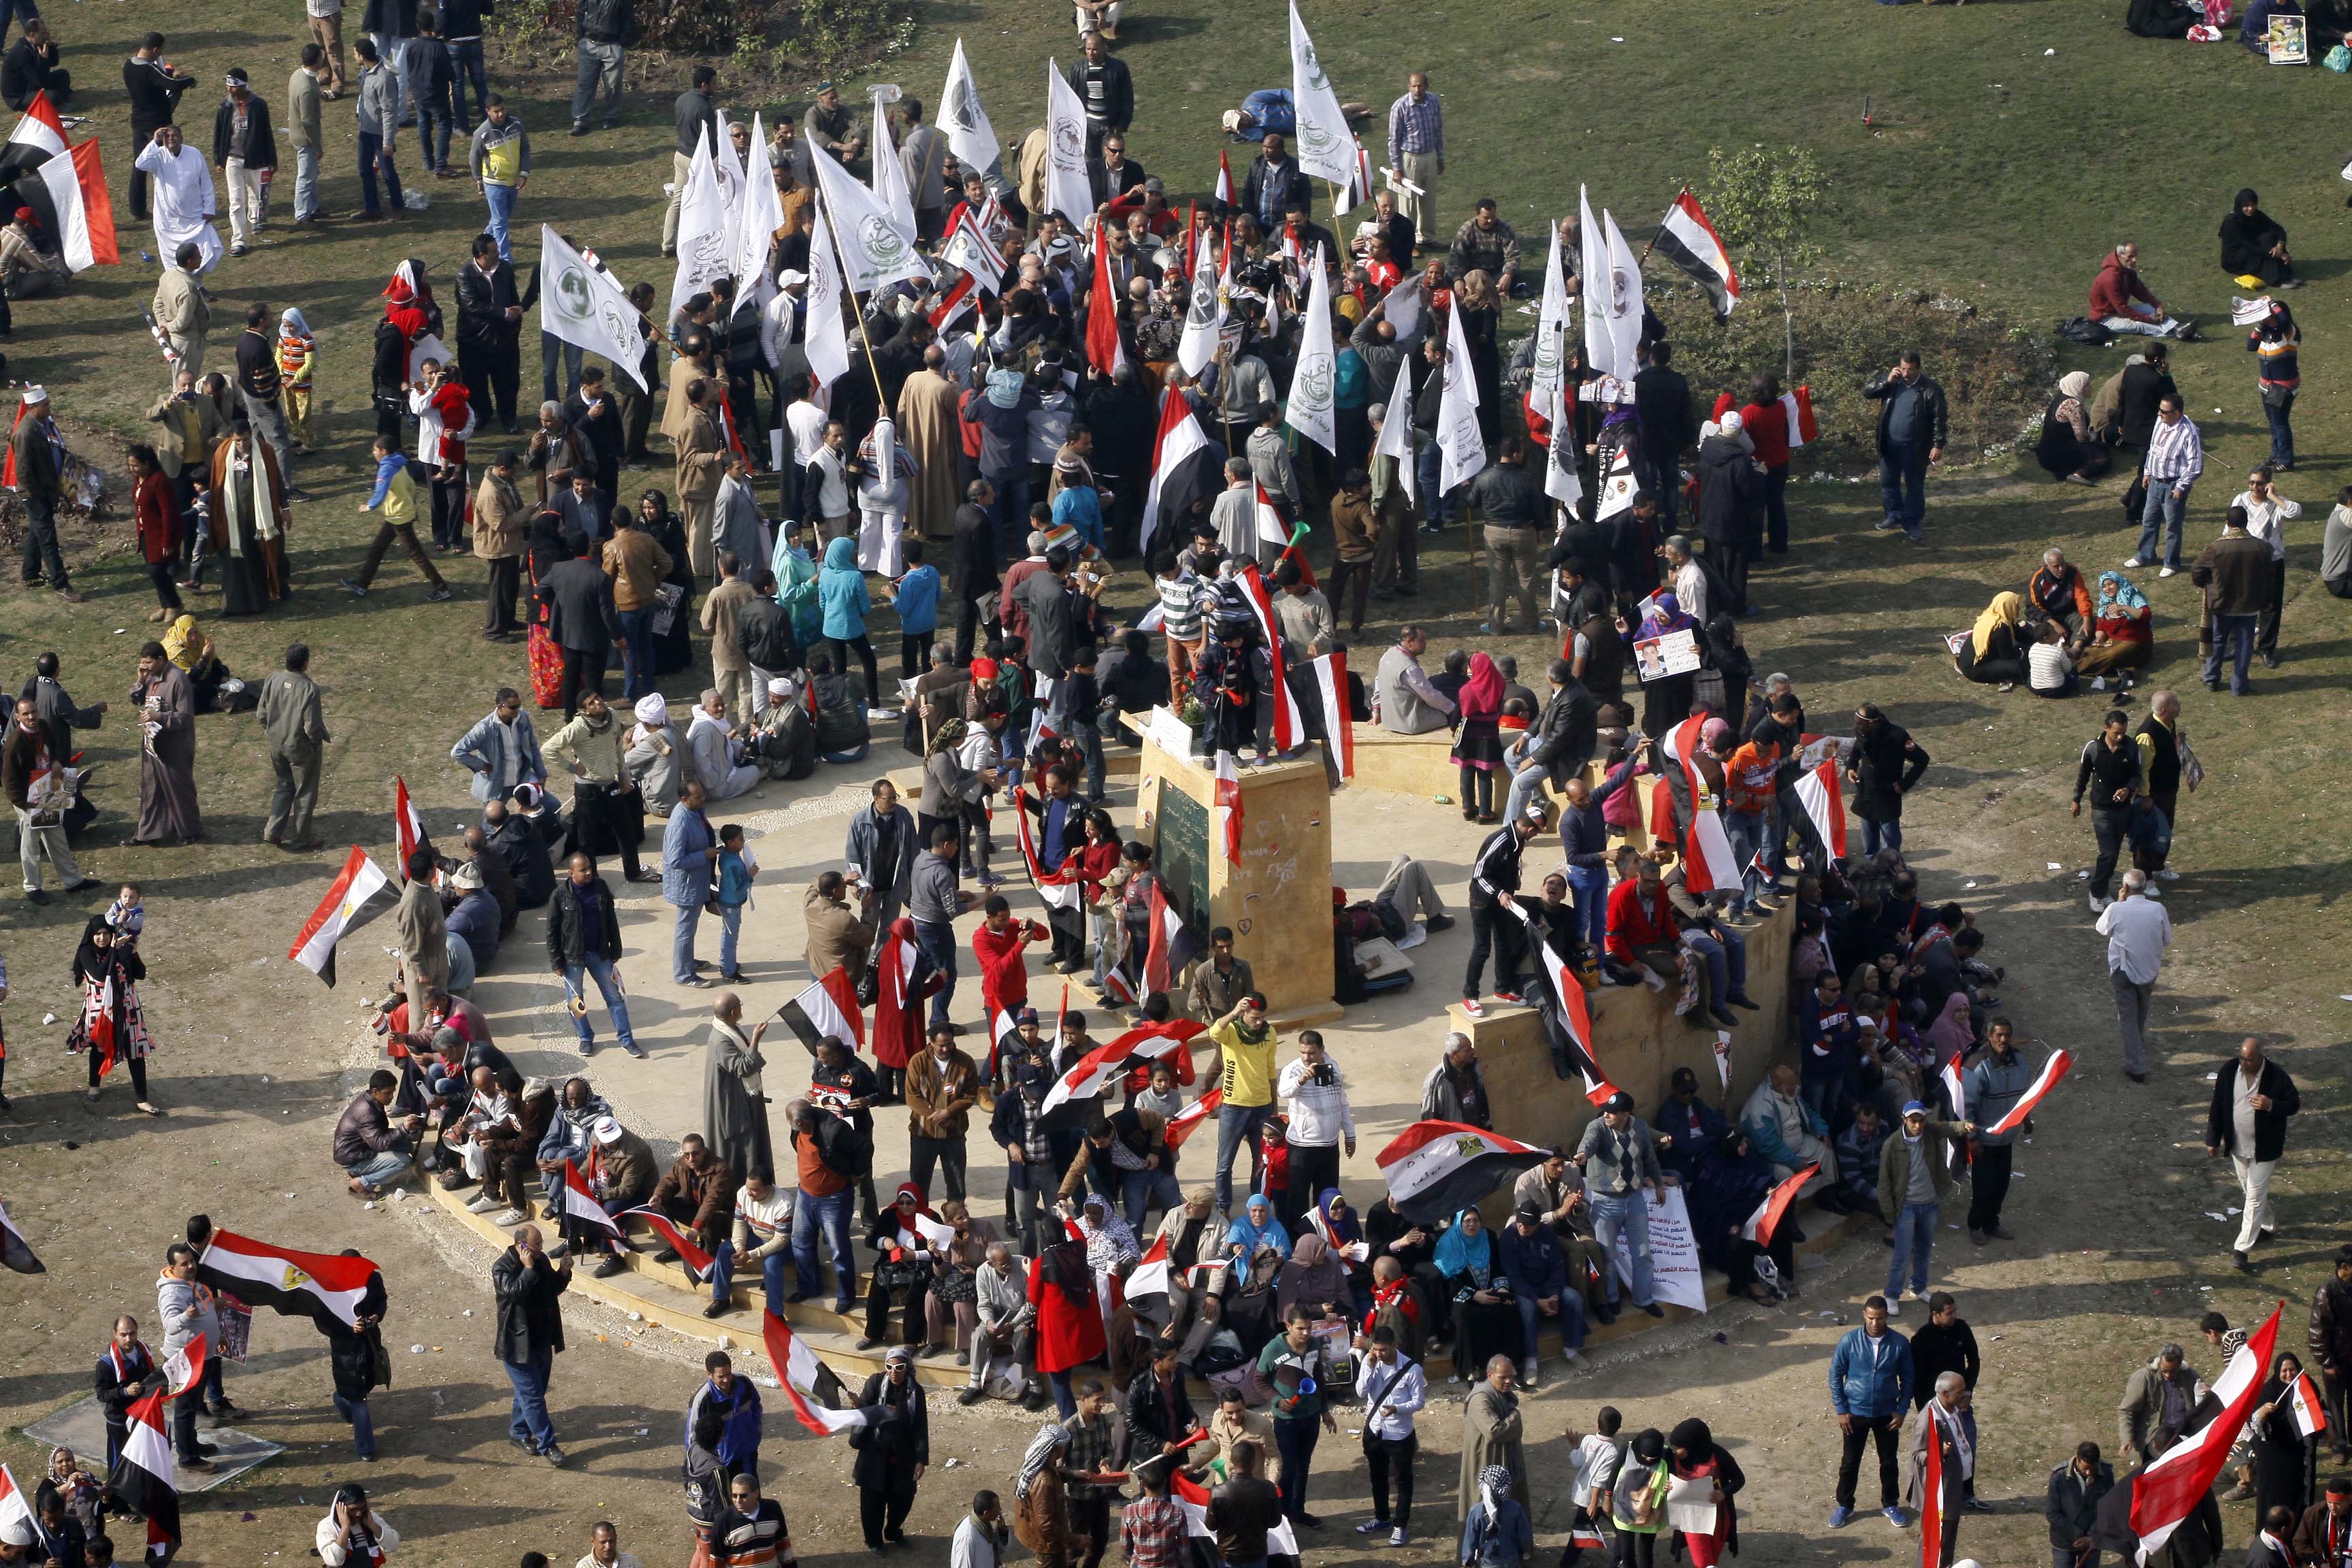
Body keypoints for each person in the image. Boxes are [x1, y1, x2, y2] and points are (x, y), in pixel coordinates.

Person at [2206, 1035, 2298, 1272]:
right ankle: (2267, 1226)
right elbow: (2218, 1105)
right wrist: (2213, 1139)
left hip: (2265, 1149)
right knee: (2250, 1190)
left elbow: (2294, 1104)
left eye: (2249, 1059)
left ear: (2260, 1057)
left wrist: (2271, 1105)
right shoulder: (2228, 1071)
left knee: (2255, 1197)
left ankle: (2242, 1249)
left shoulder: (2276, 1076)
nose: (2244, 1064)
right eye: (2242, 1058)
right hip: (2238, 1145)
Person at [1829, 1295, 1915, 1529]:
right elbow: (1835, 1375)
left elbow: (1908, 1379)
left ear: (1886, 1316)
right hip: (1855, 1412)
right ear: (1864, 1316)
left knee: (1888, 1461)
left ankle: (1890, 1504)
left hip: (1886, 1413)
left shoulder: (1899, 1344)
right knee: (1850, 1462)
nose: (1875, 1323)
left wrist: (1901, 1410)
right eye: (1870, 1318)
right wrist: (1841, 1409)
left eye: (1879, 1318)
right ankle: (1845, 1504)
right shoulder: (1849, 1341)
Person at [1880, 1101, 1973, 1311]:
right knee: (1902, 1255)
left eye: (1921, 1121)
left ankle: (1919, 1287)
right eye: (1913, 1121)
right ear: (1904, 1120)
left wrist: (1964, 1125)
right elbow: (1884, 1182)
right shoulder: (1892, 1145)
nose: (1918, 1125)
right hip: (1907, 1207)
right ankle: (1891, 1295)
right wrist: (1889, 1215)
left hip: (1930, 1203)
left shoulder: (1930, 1132)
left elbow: (1948, 1127)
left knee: (1923, 1250)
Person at [491, 1222, 571, 1463]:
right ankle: (548, 1445)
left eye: (541, 1244)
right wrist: (527, 1269)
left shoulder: (543, 1260)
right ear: (521, 1245)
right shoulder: (502, 1267)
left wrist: (564, 1273)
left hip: (542, 1339)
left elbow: (551, 1289)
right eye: (536, 1245)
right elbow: (514, 1293)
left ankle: (518, 1432)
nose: (540, 1249)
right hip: (518, 1345)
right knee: (533, 1396)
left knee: (531, 1392)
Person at [548, 851, 638, 1058]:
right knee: (575, 1001)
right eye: (583, 870)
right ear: (571, 873)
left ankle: (627, 1039)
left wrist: (616, 948)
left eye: (590, 868)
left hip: (600, 954)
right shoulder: (560, 895)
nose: (589, 873)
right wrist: (556, 961)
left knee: (615, 997)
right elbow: (551, 931)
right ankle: (585, 1038)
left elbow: (611, 920)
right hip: (572, 958)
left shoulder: (600, 887)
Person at [1207, 992, 1280, 1213]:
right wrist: (1234, 1012)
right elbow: (1214, 1032)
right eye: (1254, 1018)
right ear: (1244, 1013)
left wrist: (1274, 1107)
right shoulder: (1231, 1032)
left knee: (1261, 1163)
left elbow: (1270, 1071)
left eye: (1261, 1018)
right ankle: (1223, 1208)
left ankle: (1256, 1206)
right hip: (1234, 1106)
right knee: (1224, 1164)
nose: (1259, 1023)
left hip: (1263, 1107)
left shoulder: (1270, 1033)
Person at [851, 1345, 930, 1551]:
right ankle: (874, 1541)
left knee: (902, 1502)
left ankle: (893, 1531)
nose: (893, 1372)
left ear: (908, 1367)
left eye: (899, 1367)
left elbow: (921, 1426)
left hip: (902, 1459)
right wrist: (857, 1404)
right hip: (874, 1457)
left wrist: (921, 1460)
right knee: (872, 1505)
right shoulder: (876, 1383)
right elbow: (865, 1410)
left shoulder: (916, 1391)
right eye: (889, 1367)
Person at [1862, 351, 1945, 542]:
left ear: (1918, 368)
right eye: (1903, 368)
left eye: (1910, 370)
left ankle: (1912, 522)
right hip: (1889, 443)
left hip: (1915, 447)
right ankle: (1894, 516)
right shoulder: (1892, 382)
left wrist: (1938, 445)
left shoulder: (1930, 389)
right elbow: (1868, 393)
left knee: (1914, 486)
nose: (1906, 373)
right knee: (1888, 483)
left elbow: (1940, 419)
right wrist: (1888, 382)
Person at [256, 642, 329, 850]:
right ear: (306, 663)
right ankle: (301, 839)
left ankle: (273, 830)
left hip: (276, 744)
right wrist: (315, 744)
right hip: (300, 748)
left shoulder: (272, 680)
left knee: (284, 785)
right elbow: (312, 726)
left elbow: (261, 714)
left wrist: (272, 732)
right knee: (305, 793)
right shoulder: (309, 689)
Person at [2073, 709, 2142, 913]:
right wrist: (2076, 799)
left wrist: (2128, 789)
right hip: (2101, 808)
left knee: (2114, 852)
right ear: (2106, 728)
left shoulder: (2131, 747)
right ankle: (2095, 893)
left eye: (2123, 733)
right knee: (2108, 853)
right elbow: (2083, 775)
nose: (2120, 737)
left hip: (2122, 809)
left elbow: (2137, 775)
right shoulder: (2094, 748)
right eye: (2116, 733)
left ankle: (2103, 892)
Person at [134, 127, 223, 276]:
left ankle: (198, 285)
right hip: (169, 220)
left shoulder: (194, 154)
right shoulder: (158, 155)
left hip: (195, 217)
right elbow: (140, 164)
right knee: (173, 260)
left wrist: (209, 208)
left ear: (181, 138)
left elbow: (206, 183)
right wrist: (155, 142)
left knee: (201, 254)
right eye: (167, 136)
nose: (171, 138)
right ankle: (180, 287)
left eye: (174, 136)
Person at [2131, 395, 2202, 579]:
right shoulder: (2160, 422)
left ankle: (2171, 562)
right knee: (2149, 519)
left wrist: (2180, 487)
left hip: (2173, 484)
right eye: (2160, 409)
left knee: (2172, 526)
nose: (2159, 413)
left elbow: (2195, 465)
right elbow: (2153, 449)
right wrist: (2147, 472)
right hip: (2156, 481)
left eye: (2164, 411)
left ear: (2177, 413)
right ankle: (2145, 555)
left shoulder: (2189, 432)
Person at [1906, 1372, 1970, 1567]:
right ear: (1945, 1393)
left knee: (1948, 1541)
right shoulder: (1928, 1418)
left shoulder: (1954, 1408)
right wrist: (1938, 1452)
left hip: (1953, 1488)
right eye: (1960, 1392)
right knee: (1934, 1543)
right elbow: (1917, 1455)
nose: (1965, 1395)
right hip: (1938, 1495)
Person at [1458, 1357, 1524, 1522]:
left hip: (1504, 1458)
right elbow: (1494, 1431)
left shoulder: (1503, 1394)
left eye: (1510, 1376)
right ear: (1490, 1375)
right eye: (1503, 1377)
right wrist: (1515, 1418)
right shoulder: (1480, 1399)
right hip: (1486, 1461)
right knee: (1486, 1508)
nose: (1508, 1381)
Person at [2045, 1442, 2112, 1568]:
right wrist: (2078, 1535)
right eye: (2085, 1468)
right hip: (2064, 1541)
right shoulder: (2059, 1476)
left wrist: (2091, 1537)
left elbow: (2109, 1509)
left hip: (2092, 1541)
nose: (2088, 1473)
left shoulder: (2106, 1474)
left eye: (2092, 1469)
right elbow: (2052, 1513)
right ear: (2077, 1459)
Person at [2220, 188, 2296, 288]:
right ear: (2240, 205)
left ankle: (2284, 274)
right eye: (2247, 206)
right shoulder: (2232, 222)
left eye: (2253, 205)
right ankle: (2277, 279)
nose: (2250, 209)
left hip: (2253, 246)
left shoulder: (2257, 215)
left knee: (2268, 237)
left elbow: (2278, 229)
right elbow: (2249, 246)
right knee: (2263, 251)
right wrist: (2279, 255)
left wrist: (2280, 246)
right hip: (2236, 257)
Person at [713, 1472, 791, 1568]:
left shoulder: (773, 1509)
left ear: (756, 1493)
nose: (738, 1501)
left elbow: (783, 1544)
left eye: (743, 1496)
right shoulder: (723, 1521)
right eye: (734, 1496)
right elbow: (717, 1559)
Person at [315, 1486, 398, 1567]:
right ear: (340, 1507)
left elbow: (393, 1546)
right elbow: (334, 1561)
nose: (359, 1513)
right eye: (353, 1509)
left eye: (362, 1508)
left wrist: (372, 1525)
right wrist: (345, 1528)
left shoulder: (369, 1517)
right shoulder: (327, 1526)